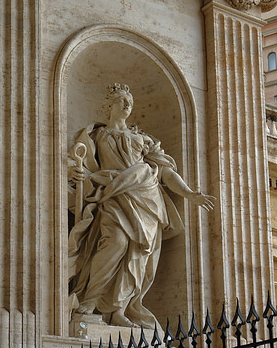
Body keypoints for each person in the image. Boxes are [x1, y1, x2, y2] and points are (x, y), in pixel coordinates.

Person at [68, 83, 215, 328]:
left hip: (146, 199)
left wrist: (189, 193)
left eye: (130, 102)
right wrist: (77, 173)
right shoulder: (94, 135)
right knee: (115, 242)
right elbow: (79, 163)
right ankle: (91, 300)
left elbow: (165, 172)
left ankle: (119, 311)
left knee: (136, 256)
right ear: (108, 105)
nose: (127, 105)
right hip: (113, 195)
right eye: (121, 100)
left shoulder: (142, 138)